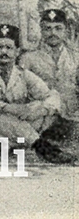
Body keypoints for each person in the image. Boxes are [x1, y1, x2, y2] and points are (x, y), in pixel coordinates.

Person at [0, 23, 60, 152]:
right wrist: (6, 107)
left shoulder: (23, 73)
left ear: (17, 51)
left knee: (41, 108)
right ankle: (40, 146)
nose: (4, 52)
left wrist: (41, 110)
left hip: (15, 126)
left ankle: (7, 145)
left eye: (9, 48)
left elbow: (51, 95)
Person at [22, 9, 79, 164]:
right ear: (41, 30)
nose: (52, 33)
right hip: (44, 115)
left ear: (66, 30)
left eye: (58, 28)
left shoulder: (76, 56)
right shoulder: (28, 58)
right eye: (47, 28)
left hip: (72, 114)